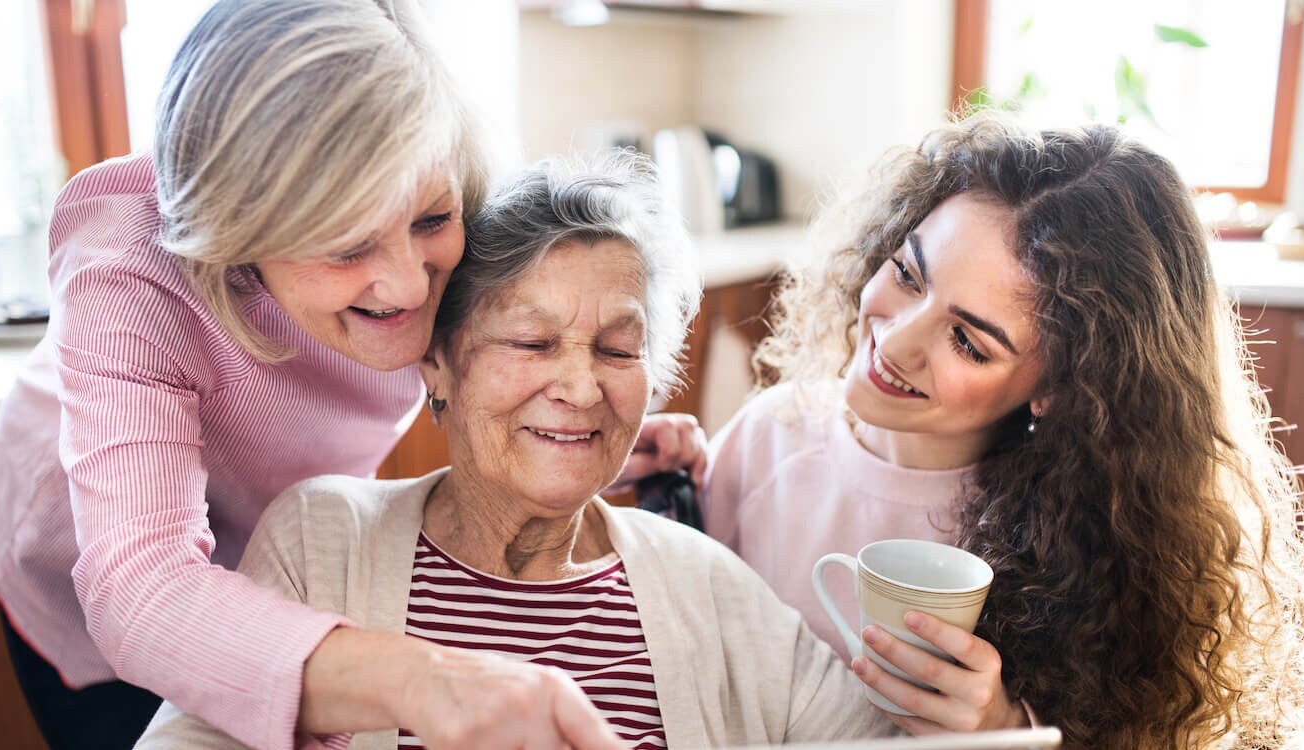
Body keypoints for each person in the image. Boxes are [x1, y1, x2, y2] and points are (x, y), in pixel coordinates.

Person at [0, 3, 702, 749]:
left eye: (429, 220)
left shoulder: (452, 199)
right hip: (91, 581)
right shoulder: (130, 259)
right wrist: (426, 680)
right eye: (348, 246)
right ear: (240, 232)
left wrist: (564, 434)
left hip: (277, 542)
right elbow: (141, 591)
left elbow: (494, 366)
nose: (410, 287)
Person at [134, 154, 912, 749]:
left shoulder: (704, 584)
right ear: (437, 361)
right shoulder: (322, 539)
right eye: (532, 342)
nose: (580, 386)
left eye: (616, 349)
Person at [703, 114, 1304, 748]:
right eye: (906, 273)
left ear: (1060, 387)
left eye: (968, 342)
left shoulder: (1104, 540)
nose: (894, 343)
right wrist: (659, 493)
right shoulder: (768, 437)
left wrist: (1004, 728)